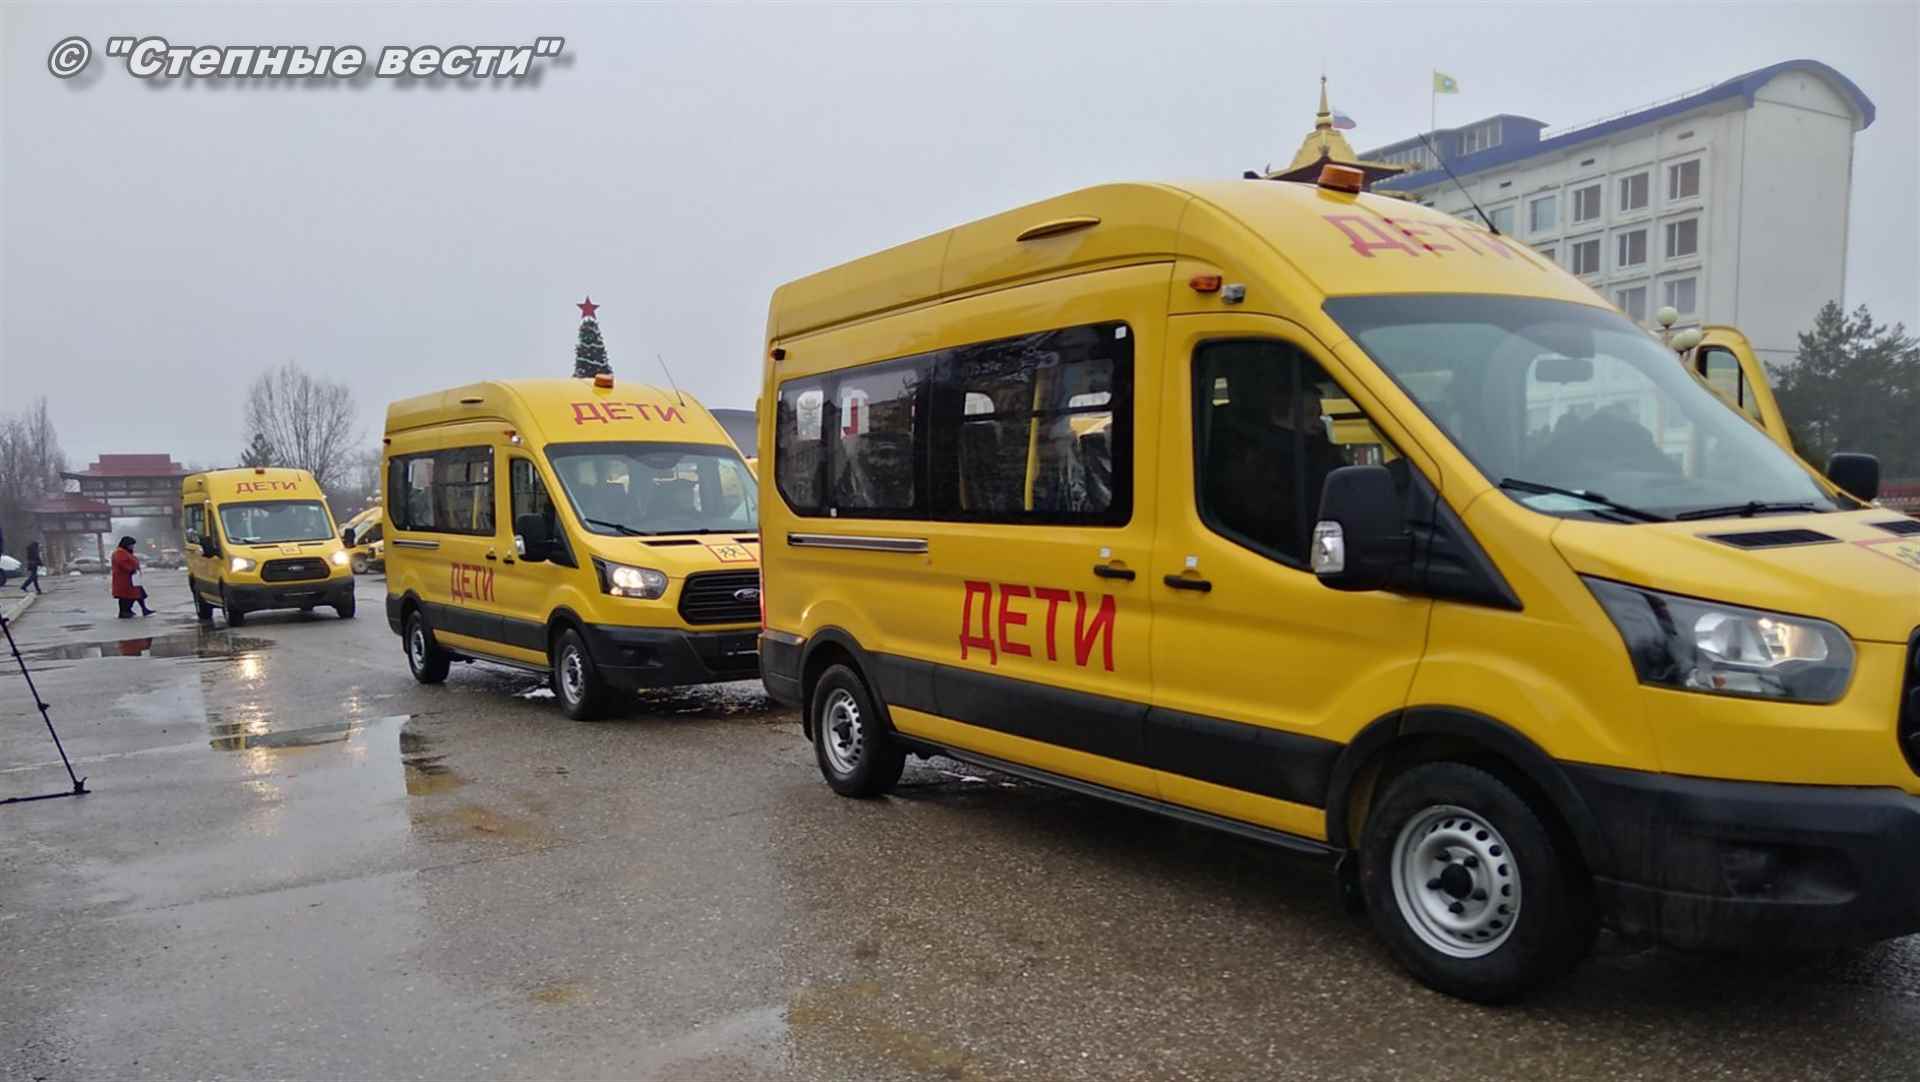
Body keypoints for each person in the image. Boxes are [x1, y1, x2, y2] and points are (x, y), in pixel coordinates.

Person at [111, 535, 153, 618]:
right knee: (126, 596)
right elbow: (122, 563)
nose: (133, 546)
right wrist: (131, 569)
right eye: (131, 544)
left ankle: (142, 609)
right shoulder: (120, 552)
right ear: (126, 544)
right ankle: (125, 612)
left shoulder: (126, 552)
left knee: (138, 594)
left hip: (132, 578)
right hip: (125, 579)